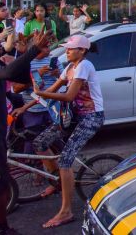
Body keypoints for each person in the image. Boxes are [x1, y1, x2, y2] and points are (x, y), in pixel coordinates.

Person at [32, 34, 105, 228]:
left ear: (82, 51)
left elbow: (69, 96)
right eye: (66, 49)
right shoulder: (69, 67)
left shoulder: (84, 66)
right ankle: (58, 180)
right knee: (39, 143)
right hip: (72, 117)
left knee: (66, 160)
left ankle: (66, 211)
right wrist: (28, 104)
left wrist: (41, 92)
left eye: (70, 49)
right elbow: (53, 92)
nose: (67, 51)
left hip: (91, 118)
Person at [0, 28, 50, 235]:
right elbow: (9, 73)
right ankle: (1, 229)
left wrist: (27, 53)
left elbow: (18, 79)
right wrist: (32, 51)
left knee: (1, 183)